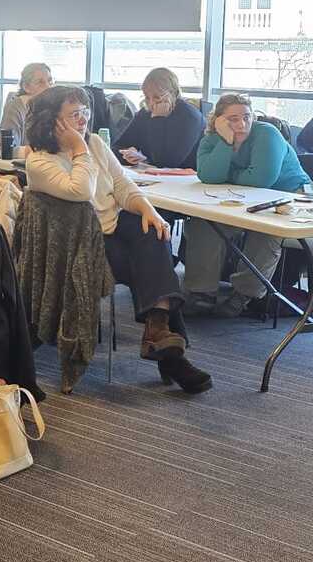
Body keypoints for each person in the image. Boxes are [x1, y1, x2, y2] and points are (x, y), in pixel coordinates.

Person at [24, 87, 212, 394]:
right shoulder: (39, 162)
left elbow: (123, 185)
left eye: (85, 112)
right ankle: (170, 354)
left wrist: (149, 210)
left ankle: (158, 332)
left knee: (154, 232)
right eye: (74, 114)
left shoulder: (95, 143)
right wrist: (79, 149)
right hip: (81, 243)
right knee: (154, 265)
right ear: (52, 121)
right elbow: (81, 191)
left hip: (114, 227)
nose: (83, 120)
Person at [181, 93, 310, 318]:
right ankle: (202, 293)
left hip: (290, 197)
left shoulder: (267, 134)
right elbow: (209, 176)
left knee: (265, 230)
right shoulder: (212, 139)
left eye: (247, 117)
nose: (242, 124)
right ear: (218, 121)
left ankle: (243, 295)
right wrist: (226, 142)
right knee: (204, 224)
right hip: (242, 199)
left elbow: (260, 180)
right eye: (233, 119)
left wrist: (229, 176)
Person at [115, 67, 206, 170]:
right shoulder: (145, 113)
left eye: (157, 97)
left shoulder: (190, 117)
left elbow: (167, 162)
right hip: (153, 174)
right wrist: (128, 155)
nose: (151, 103)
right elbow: (116, 148)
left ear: (173, 94)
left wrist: (158, 119)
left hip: (188, 175)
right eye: (147, 97)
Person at [0, 62, 52, 145]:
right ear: (26, 87)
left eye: (50, 81)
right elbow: (7, 147)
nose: (48, 87)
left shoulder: (52, 106)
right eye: (40, 82)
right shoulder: (16, 107)